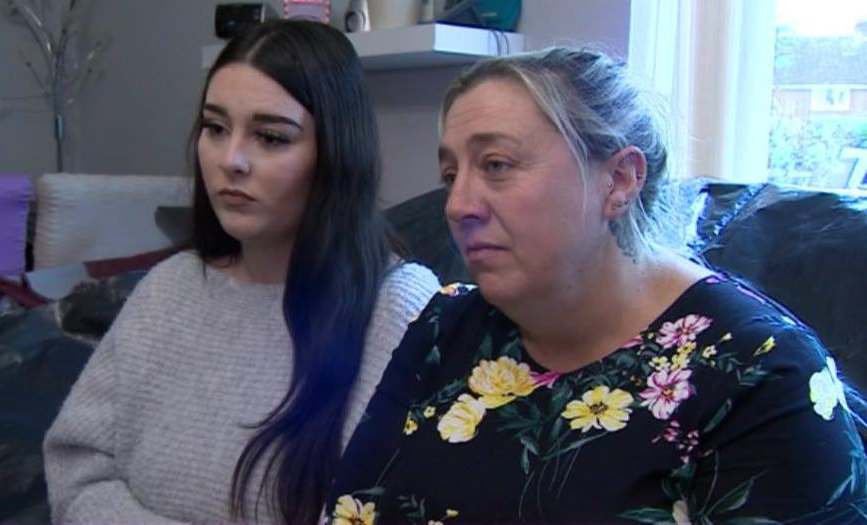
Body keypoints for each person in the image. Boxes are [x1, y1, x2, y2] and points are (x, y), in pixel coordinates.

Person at [324, 46, 867, 524]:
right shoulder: (445, 327)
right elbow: (352, 511)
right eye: (450, 176)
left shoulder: (762, 376)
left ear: (620, 179)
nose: (458, 206)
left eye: (496, 165)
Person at [43, 20, 439, 524]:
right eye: (215, 128)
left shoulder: (400, 311)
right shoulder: (170, 290)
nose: (230, 160)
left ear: (336, 154)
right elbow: (77, 470)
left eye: (271, 138)